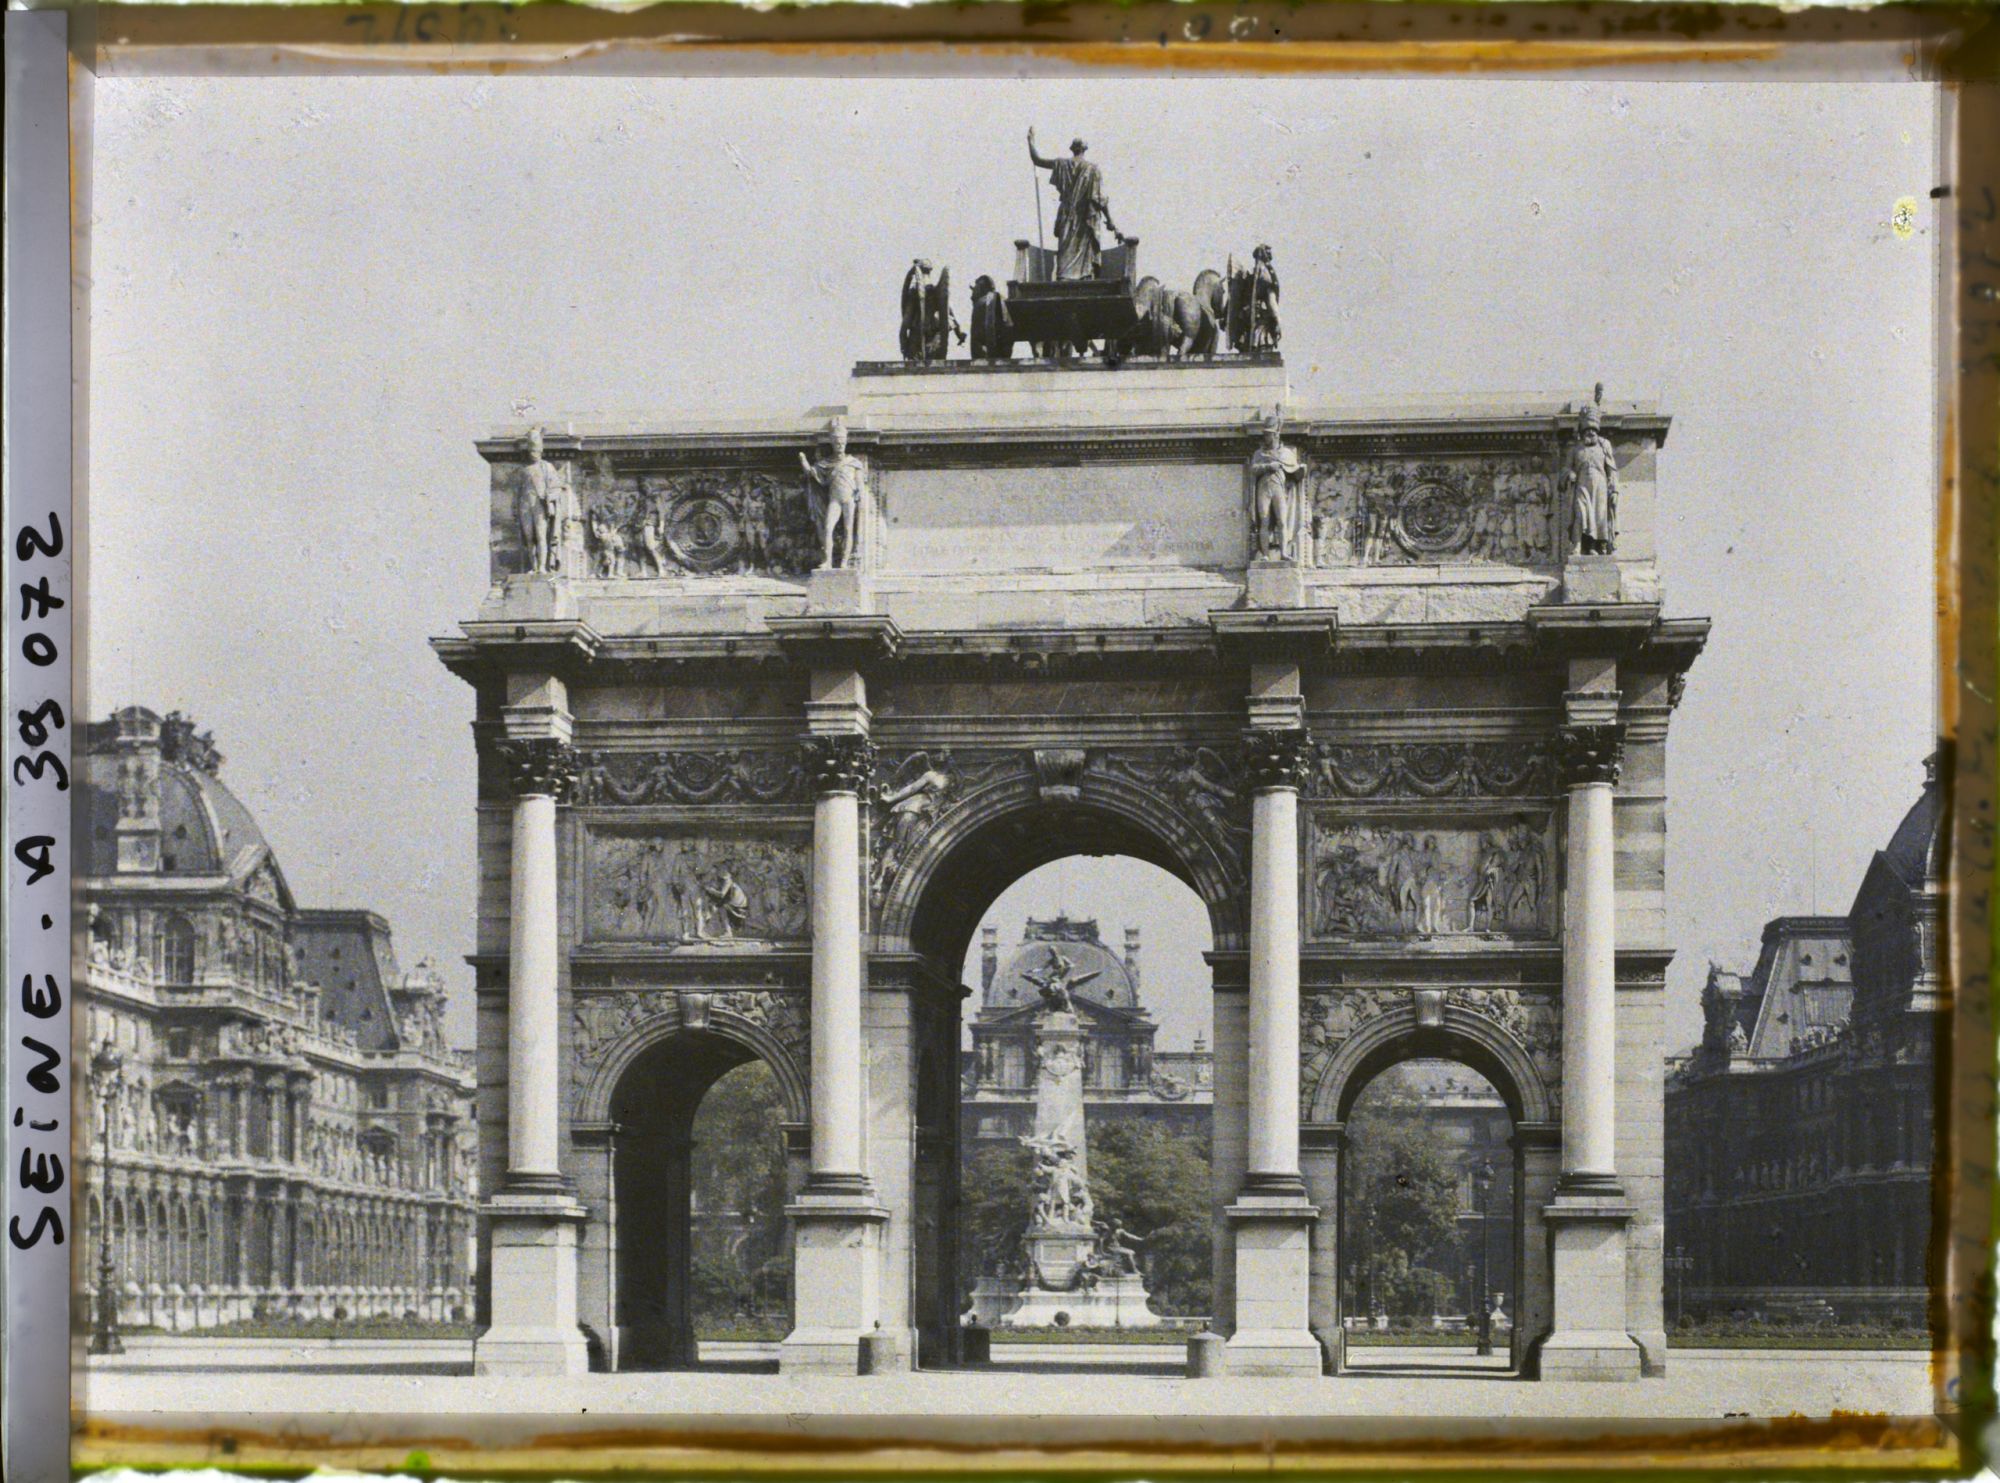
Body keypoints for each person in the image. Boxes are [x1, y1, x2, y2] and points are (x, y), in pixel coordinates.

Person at [1027, 129, 1121, 281]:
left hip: (1067, 217)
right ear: (1084, 149)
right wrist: (1111, 221)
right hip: (1085, 218)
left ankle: (1065, 277)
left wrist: (1030, 142)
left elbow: (1037, 160)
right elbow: (1099, 199)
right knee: (1083, 260)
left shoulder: (1062, 164)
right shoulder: (1093, 169)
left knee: (1065, 250)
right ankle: (1084, 277)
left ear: (1072, 149)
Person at [799, 418, 866, 569]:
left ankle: (844, 562)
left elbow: (860, 485)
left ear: (846, 443)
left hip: (849, 500)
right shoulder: (826, 463)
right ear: (833, 444)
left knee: (849, 530)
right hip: (834, 499)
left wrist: (860, 498)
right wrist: (803, 460)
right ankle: (827, 561)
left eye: (842, 443)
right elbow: (812, 473)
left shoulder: (854, 463)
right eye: (837, 443)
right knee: (828, 528)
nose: (840, 446)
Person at [1564, 402, 1622, 555]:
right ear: (1582, 433)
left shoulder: (1604, 446)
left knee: (1599, 516)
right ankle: (1576, 544)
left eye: (1593, 431)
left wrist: (1615, 490)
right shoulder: (1575, 449)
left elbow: (1612, 470)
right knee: (1580, 512)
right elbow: (1566, 469)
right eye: (1587, 430)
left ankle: (1594, 546)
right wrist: (1569, 475)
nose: (1590, 433)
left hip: (1600, 486)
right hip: (1581, 485)